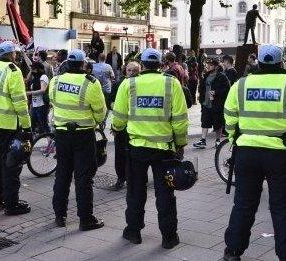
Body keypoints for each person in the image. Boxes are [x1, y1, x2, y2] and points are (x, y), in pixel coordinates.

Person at [223, 44, 286, 261]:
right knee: (283, 209)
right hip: (282, 156)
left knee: (243, 205)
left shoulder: (241, 84)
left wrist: (237, 139)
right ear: (281, 61)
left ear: (259, 61)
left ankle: (232, 253)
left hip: (247, 154)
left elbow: (229, 118)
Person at [112, 48, 189, 247]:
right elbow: (180, 119)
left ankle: (134, 232)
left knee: (136, 192)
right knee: (165, 194)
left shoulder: (129, 84)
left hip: (137, 148)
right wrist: (180, 143)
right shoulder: (172, 84)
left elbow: (119, 117)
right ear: (161, 64)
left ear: (142, 64)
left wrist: (116, 128)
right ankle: (169, 238)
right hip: (164, 149)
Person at [50, 49, 107, 230]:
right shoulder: (91, 83)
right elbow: (100, 111)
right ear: (83, 64)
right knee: (83, 178)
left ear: (67, 63)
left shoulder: (56, 80)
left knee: (62, 175)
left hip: (61, 134)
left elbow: (52, 101)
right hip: (83, 135)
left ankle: (60, 216)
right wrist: (96, 121)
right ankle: (85, 219)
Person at [0, 41, 32, 215]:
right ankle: (11, 204)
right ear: (12, 54)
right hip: (6, 124)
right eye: (15, 53)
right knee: (11, 164)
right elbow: (20, 101)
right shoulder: (13, 71)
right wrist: (27, 126)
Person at [110, 61, 141, 191]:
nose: (132, 73)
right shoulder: (119, 84)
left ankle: (134, 179)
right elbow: (110, 100)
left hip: (137, 127)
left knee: (135, 155)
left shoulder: (142, 84)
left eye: (135, 70)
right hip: (122, 126)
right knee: (120, 154)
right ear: (125, 71)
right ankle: (120, 178)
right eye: (129, 70)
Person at [193, 58, 231, 149]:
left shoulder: (222, 76)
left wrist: (216, 92)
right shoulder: (206, 75)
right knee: (204, 121)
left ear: (216, 66)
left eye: (211, 65)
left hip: (217, 104)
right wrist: (201, 96)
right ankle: (203, 140)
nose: (208, 66)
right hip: (206, 103)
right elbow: (202, 87)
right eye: (208, 64)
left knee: (218, 123)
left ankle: (218, 140)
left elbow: (227, 89)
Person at [26, 62, 50, 134]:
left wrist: (29, 93)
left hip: (42, 105)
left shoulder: (43, 77)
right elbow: (27, 79)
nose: (32, 70)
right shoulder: (35, 78)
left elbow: (43, 90)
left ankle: (50, 140)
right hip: (34, 104)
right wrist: (31, 70)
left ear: (38, 69)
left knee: (43, 125)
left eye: (34, 68)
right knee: (32, 124)